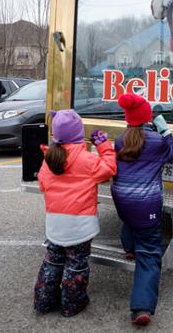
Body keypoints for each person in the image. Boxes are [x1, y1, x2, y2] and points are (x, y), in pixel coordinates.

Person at [33, 109, 117, 317]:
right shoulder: (87, 160)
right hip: (80, 224)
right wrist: (104, 147)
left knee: (52, 261)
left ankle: (43, 301)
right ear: (78, 134)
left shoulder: (48, 158)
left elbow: (43, 185)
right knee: (76, 265)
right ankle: (72, 304)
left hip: (54, 221)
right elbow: (109, 169)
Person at [111, 93, 173, 326]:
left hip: (121, 199)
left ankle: (129, 247)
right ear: (148, 119)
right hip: (146, 204)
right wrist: (166, 131)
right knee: (150, 254)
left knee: (130, 219)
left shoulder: (120, 140)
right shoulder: (157, 142)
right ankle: (141, 308)